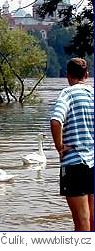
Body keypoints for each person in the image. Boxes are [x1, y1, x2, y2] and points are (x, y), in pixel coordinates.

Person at [50, 57, 94, 231]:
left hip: (75, 163)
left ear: (68, 76)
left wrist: (59, 147)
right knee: (92, 217)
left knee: (81, 219)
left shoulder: (67, 94)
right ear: (87, 75)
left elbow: (55, 121)